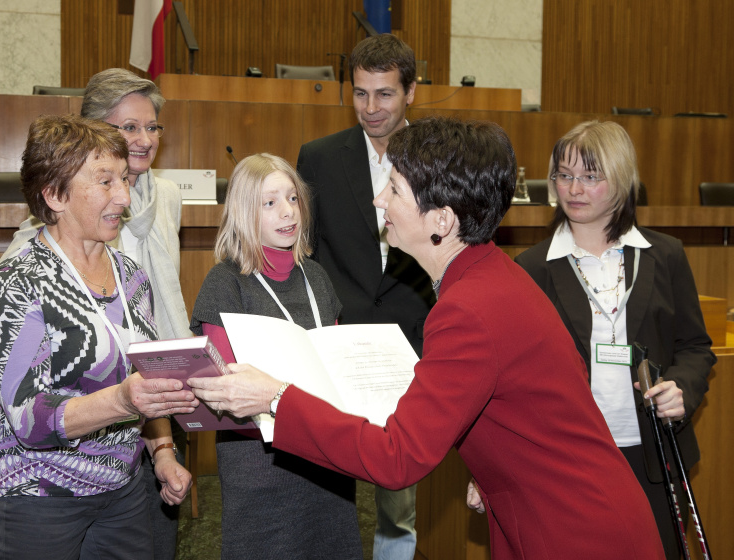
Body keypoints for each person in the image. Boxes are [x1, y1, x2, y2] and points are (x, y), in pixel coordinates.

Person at [189, 116, 667, 560]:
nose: (379, 202)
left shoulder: (467, 308)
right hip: (568, 514)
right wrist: (497, 463)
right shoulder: (491, 276)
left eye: (393, 189)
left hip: (576, 534)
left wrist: (277, 397)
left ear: (441, 219)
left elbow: (397, 458)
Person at [0, 114, 198, 560]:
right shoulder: (16, 284)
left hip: (123, 491)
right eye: (105, 182)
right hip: (35, 496)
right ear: (55, 195)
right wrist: (124, 401)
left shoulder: (131, 277)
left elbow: (145, 380)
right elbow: (31, 421)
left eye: (124, 180)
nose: (124, 195)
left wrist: (163, 453)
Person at [514, 120, 715, 559]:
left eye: (590, 176)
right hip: (567, 457)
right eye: (564, 175)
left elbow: (696, 347)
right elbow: (516, 377)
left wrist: (682, 387)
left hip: (653, 452)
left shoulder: (665, 255)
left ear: (622, 181)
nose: (574, 188)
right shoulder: (531, 267)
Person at [296, 33, 434, 560]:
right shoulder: (320, 158)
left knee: (399, 493)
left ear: (412, 92)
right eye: (360, 94)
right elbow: (305, 251)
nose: (371, 108)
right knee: (330, 482)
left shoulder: (437, 157)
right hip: (339, 340)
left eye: (385, 95)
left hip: (414, 340)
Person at [189, 154, 363, 560]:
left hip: (326, 458)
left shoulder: (316, 276)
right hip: (262, 468)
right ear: (243, 212)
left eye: (292, 198)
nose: (288, 212)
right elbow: (226, 393)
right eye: (270, 203)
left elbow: (333, 365)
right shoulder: (226, 283)